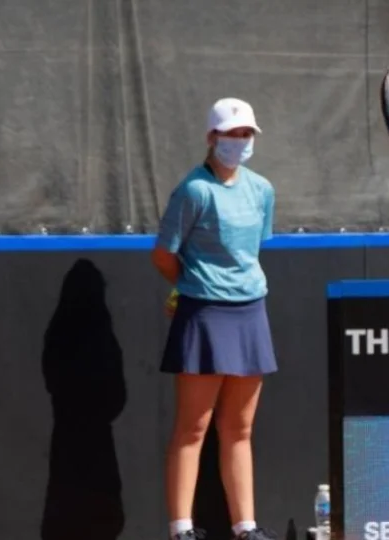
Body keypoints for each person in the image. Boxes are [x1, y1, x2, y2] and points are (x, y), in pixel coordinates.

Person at [152, 97, 278, 540]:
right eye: (231, 134)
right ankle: (181, 529)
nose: (240, 141)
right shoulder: (193, 190)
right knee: (193, 427)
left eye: (246, 134)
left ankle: (245, 527)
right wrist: (189, 287)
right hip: (203, 313)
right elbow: (163, 255)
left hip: (250, 312)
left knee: (239, 428)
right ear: (212, 137)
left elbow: (252, 249)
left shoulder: (262, 189)